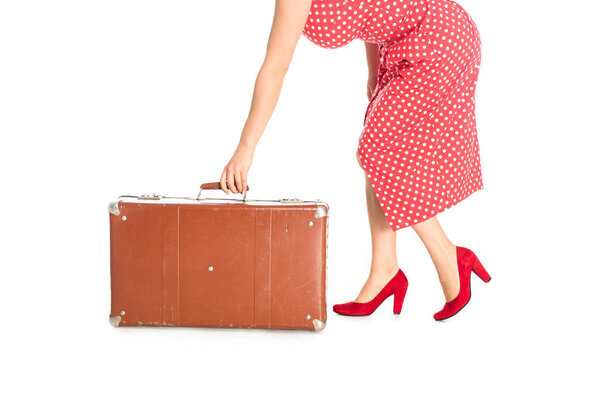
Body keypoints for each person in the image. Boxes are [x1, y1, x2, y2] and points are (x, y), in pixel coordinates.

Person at [219, 0, 490, 321]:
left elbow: (276, 66)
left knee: (375, 151)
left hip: (437, 40)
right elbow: (371, 13)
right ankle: (384, 270)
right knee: (376, 151)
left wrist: (245, 148)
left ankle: (449, 256)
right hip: (410, 43)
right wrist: (373, 72)